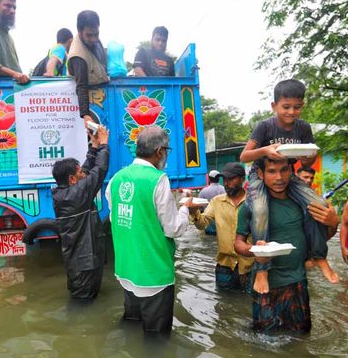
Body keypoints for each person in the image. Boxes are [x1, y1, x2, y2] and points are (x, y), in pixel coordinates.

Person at [239, 79, 338, 293]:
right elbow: (245, 155)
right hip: (260, 174)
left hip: (288, 173)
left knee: (319, 204)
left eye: (297, 107)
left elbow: (307, 163)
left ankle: (319, 257)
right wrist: (265, 150)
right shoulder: (265, 126)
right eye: (286, 107)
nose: (292, 112)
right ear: (274, 106)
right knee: (260, 209)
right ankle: (263, 268)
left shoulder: (303, 127)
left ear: (302, 106)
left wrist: (309, 156)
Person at [106, 126, 195, 334]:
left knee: (132, 327)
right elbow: (173, 228)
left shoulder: (116, 179)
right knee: (157, 340)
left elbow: (116, 220)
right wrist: (185, 208)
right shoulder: (158, 179)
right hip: (154, 276)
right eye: (167, 152)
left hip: (126, 271)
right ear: (159, 152)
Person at [233, 157, 333, 333]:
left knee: (302, 335)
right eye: (272, 171)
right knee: (265, 340)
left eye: (284, 170)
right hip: (265, 286)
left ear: (291, 172)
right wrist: (255, 250)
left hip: (298, 282)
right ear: (261, 174)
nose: (279, 177)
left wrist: (334, 222)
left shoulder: (303, 203)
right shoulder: (251, 206)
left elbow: (321, 237)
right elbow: (238, 244)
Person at [52, 126, 109, 299]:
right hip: (85, 266)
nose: (83, 174)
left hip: (80, 263)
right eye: (79, 173)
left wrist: (93, 147)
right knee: (83, 305)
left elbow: (86, 170)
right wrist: (104, 145)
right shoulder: (76, 195)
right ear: (71, 179)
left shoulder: (65, 193)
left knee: (83, 301)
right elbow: (99, 171)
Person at [190, 163, 254, 291]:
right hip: (225, 265)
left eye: (231, 179)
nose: (226, 183)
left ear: (242, 179)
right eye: (224, 179)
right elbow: (202, 223)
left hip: (250, 265)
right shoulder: (217, 201)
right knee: (223, 302)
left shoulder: (254, 201)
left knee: (250, 302)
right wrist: (193, 211)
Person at [67, 10, 108, 130]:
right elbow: (81, 87)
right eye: (89, 35)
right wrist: (85, 115)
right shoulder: (78, 57)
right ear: (79, 32)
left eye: (96, 34)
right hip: (90, 105)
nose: (94, 39)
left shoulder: (93, 40)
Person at [197, 170, 226, 235]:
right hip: (223, 225)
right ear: (219, 178)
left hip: (208, 226)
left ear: (209, 179)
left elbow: (199, 208)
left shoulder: (204, 191)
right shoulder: (224, 190)